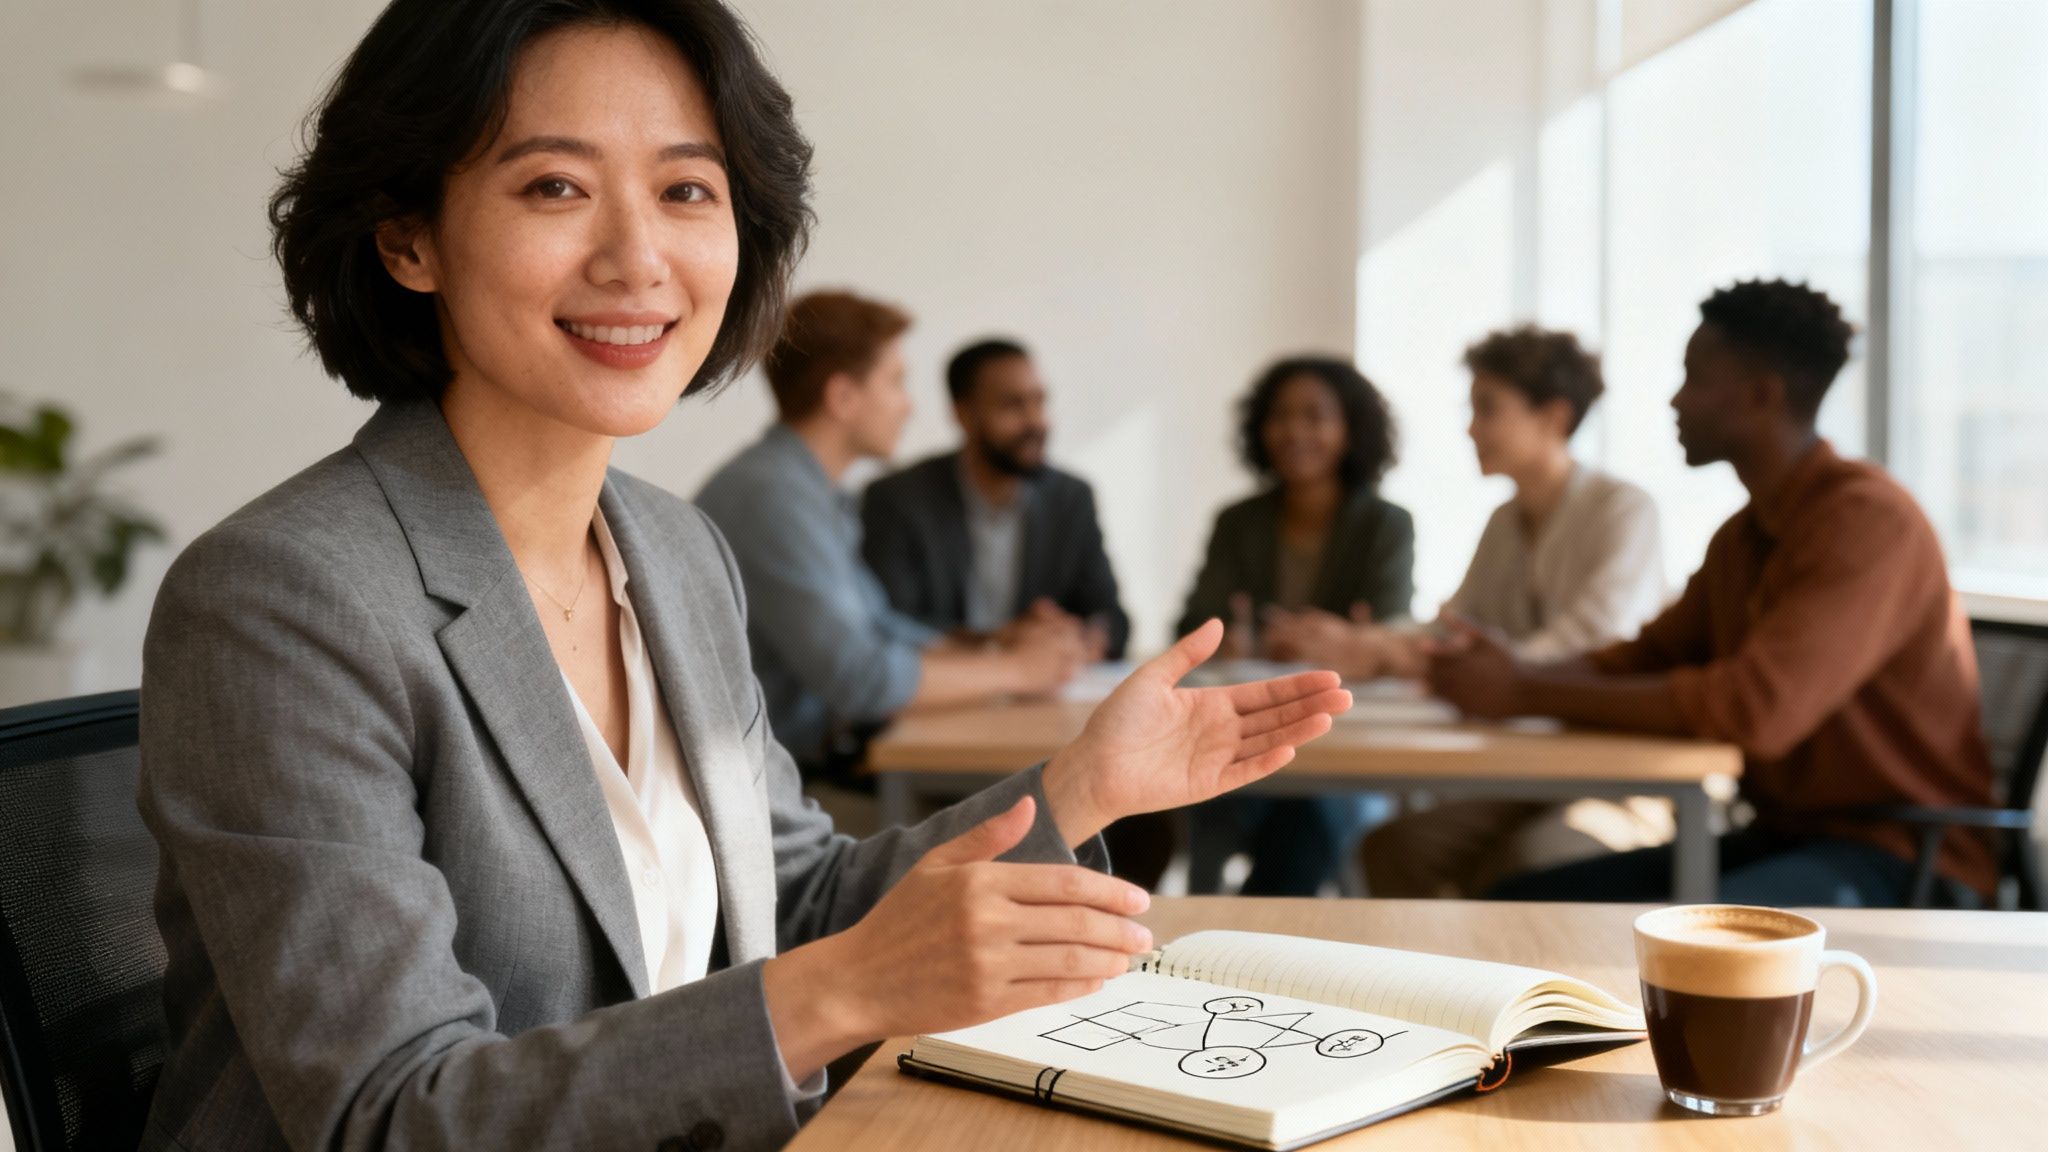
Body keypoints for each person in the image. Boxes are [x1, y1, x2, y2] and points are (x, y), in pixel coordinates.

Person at [134, 4, 1354, 1149]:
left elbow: (797, 902)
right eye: (554, 187)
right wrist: (836, 992)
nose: (637, 256)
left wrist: (1079, 787)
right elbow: (393, 1116)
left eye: (685, 190)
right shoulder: (283, 598)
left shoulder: (670, 551)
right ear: (409, 237)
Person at [1429, 279, 1998, 907]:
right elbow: (1649, 656)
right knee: (1521, 904)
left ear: (1761, 396)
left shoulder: (1868, 521)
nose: (1675, 400)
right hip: (1785, 837)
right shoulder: (1745, 535)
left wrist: (1523, 690)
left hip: (1901, 857)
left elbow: (1756, 710)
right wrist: (1508, 675)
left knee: (1658, 944)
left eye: (1694, 379)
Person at [697, 294, 1086, 786]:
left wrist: (990, 645)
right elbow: (860, 679)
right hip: (792, 790)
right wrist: (1018, 670)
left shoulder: (809, 491)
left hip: (815, 770)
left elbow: (878, 626)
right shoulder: (772, 499)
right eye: (896, 382)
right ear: (843, 397)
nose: (909, 405)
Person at [1356, 324, 1671, 899]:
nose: (1471, 428)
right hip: (1526, 770)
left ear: (1553, 415)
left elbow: (1593, 641)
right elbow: (1455, 624)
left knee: (1527, 862)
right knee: (1392, 848)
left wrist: (1443, 663)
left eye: (1487, 409)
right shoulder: (1505, 521)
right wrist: (1374, 644)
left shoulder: (1624, 510)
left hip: (1614, 778)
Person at [1175, 356, 1414, 895]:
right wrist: (1234, 642)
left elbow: (1390, 629)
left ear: (1350, 429)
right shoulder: (1238, 521)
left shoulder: (1386, 525)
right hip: (1248, 730)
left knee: (1308, 816)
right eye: (1281, 416)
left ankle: (1247, 953)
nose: (1295, 431)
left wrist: (1347, 643)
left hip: (1344, 737)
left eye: (1315, 416)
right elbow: (1194, 624)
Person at [862, 337, 1130, 660]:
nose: (1036, 421)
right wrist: (999, 643)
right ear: (963, 414)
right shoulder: (897, 499)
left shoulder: (1071, 498)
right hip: (942, 698)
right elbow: (889, 624)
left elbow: (1113, 618)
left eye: (1040, 402)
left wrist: (1082, 637)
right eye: (1013, 405)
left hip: (1046, 699)